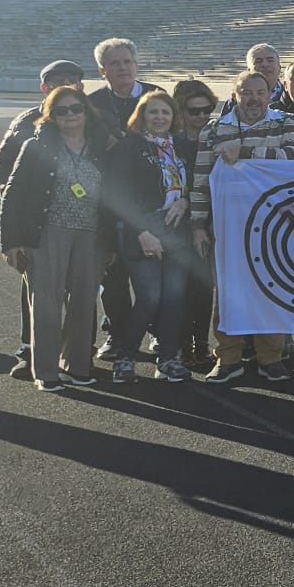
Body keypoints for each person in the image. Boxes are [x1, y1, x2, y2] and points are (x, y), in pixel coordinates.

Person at [190, 71, 294, 384]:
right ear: (234, 95)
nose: (254, 98)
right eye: (247, 92)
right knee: (228, 293)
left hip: (274, 224)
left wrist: (245, 153)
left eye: (260, 92)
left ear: (270, 94)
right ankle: (228, 358)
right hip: (228, 225)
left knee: (272, 289)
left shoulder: (287, 122)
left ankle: (271, 358)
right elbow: (201, 180)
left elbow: (290, 158)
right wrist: (198, 224)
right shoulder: (213, 130)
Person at [0, 86, 107, 391]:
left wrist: (111, 241)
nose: (70, 115)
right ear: (51, 116)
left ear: (86, 111)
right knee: (47, 302)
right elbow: (13, 194)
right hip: (48, 232)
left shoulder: (100, 147)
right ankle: (45, 371)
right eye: (61, 110)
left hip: (91, 233)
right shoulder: (37, 146)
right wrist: (10, 242)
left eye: (76, 108)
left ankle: (76, 366)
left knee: (84, 302)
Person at [0, 59, 87, 378]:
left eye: (72, 80)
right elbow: (2, 164)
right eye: (58, 81)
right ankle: (30, 350)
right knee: (38, 291)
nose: (67, 86)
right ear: (44, 88)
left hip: (85, 224)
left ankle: (75, 354)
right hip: (42, 224)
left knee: (83, 292)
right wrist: (23, 201)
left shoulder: (92, 119)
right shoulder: (27, 121)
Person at [102, 90, 196, 384]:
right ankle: (126, 358)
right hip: (141, 228)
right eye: (153, 112)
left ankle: (168, 359)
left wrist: (185, 201)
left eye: (165, 112)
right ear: (141, 116)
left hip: (178, 230)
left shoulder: (182, 147)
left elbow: (197, 183)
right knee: (150, 296)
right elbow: (117, 194)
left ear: (173, 117)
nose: (159, 117)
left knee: (174, 297)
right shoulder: (129, 147)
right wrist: (140, 232)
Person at [86, 37, 144, 361]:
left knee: (152, 274)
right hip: (107, 202)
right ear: (102, 70)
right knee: (113, 273)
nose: (123, 68)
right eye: (114, 63)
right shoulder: (90, 104)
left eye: (127, 62)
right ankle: (118, 334)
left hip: (151, 201)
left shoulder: (156, 96)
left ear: (136, 65)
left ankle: (156, 331)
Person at [168, 79, 221, 368]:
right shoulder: (170, 142)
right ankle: (179, 345)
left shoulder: (216, 136)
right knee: (179, 288)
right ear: (181, 110)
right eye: (194, 111)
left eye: (207, 110)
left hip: (209, 220)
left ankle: (200, 345)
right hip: (176, 222)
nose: (202, 116)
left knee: (203, 287)